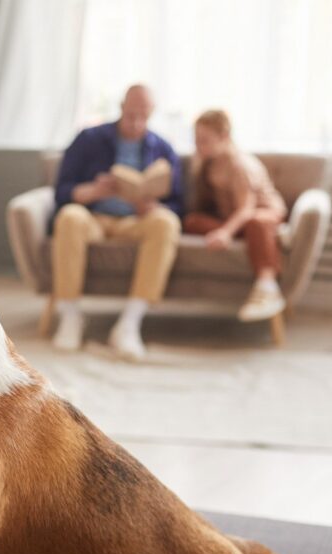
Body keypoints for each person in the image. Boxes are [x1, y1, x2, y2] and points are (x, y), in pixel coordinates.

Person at [50, 84, 182, 359]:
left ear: (152, 114)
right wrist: (93, 191)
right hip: (94, 218)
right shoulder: (89, 138)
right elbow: (61, 191)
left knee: (166, 222)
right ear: (121, 107)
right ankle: (71, 315)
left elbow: (180, 205)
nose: (136, 122)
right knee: (69, 217)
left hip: (136, 222)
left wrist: (154, 205)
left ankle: (130, 323)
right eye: (131, 114)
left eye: (143, 116)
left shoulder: (163, 149)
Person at [184, 109, 288, 322]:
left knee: (255, 222)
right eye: (196, 140)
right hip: (233, 218)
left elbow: (246, 209)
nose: (198, 145)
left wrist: (224, 232)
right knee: (192, 221)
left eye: (204, 140)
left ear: (224, 137)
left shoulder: (240, 165)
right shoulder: (208, 162)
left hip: (260, 214)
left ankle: (267, 286)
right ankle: (259, 240)